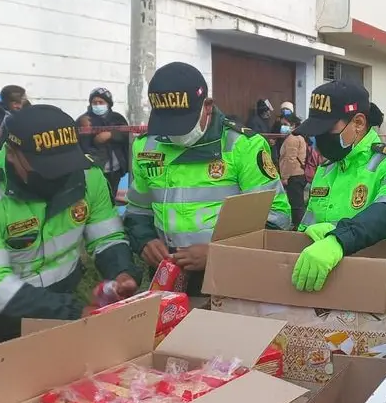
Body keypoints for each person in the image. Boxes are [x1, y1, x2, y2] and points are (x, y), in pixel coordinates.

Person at [0, 105, 139, 351]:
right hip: (1, 314)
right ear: (12, 153)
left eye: (65, 164)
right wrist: (72, 311)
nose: (59, 177)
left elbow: (107, 235)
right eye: (46, 168)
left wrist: (122, 272)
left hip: (64, 296)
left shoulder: (88, 175)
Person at [124, 62, 292, 296]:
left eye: (184, 123)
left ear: (208, 107)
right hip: (168, 277)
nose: (176, 134)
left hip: (230, 276)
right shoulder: (147, 146)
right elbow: (137, 212)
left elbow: (278, 218)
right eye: (169, 124)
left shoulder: (242, 146)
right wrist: (144, 241)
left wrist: (218, 252)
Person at [291, 80, 386, 291]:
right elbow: (308, 225)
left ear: (359, 123)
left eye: (327, 129)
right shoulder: (326, 169)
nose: (320, 139)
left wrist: (338, 240)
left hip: (382, 287)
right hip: (327, 286)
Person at [76, 88, 130, 204]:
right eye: (94, 103)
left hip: (115, 167)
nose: (97, 105)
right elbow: (79, 141)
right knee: (96, 197)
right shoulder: (84, 120)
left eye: (101, 102)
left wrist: (111, 134)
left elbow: (126, 134)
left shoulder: (117, 118)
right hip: (95, 167)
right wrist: (84, 129)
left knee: (112, 194)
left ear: (108, 104)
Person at [278, 113, 309, 229]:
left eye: (285, 124)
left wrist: (285, 176)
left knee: (296, 204)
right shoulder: (299, 137)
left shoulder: (292, 139)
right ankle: (298, 225)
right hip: (298, 173)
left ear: (293, 125)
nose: (283, 127)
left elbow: (289, 159)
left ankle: (298, 226)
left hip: (294, 175)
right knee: (298, 203)